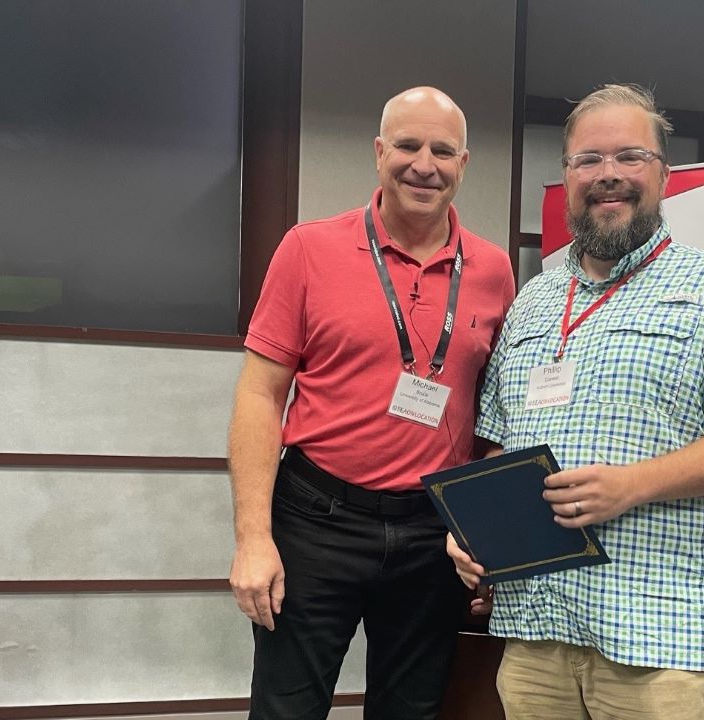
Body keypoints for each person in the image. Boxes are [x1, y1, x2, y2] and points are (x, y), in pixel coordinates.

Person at [447, 84, 704, 719]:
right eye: (588, 159)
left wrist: (632, 485)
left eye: (629, 156)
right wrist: (476, 535)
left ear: (663, 175)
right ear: (567, 175)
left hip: (657, 639)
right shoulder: (533, 300)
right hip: (537, 628)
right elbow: (500, 441)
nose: (607, 175)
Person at [227, 86, 515, 720]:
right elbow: (259, 393)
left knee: (410, 710)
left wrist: (487, 531)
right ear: (379, 152)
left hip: (431, 530)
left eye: (443, 150)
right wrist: (253, 538)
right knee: (287, 709)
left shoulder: (494, 270)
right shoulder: (308, 248)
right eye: (408, 145)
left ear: (463, 164)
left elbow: (497, 412)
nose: (424, 164)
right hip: (316, 518)